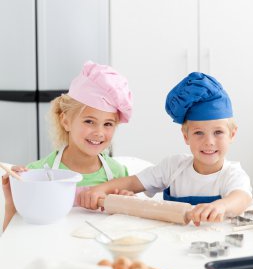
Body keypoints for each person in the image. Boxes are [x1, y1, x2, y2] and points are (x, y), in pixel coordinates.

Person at [79, 72, 252, 226]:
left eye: (218, 132)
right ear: (186, 136)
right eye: (199, 133)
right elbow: (132, 182)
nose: (209, 142)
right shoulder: (173, 167)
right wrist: (99, 190)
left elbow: (241, 198)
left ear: (232, 134)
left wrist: (221, 206)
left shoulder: (232, 174)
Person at [2, 61, 133, 230]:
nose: (99, 132)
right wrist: (12, 201)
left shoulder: (118, 174)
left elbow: (127, 230)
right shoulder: (37, 172)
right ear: (65, 121)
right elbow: (13, 238)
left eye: (108, 124)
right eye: (89, 121)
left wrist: (126, 205)